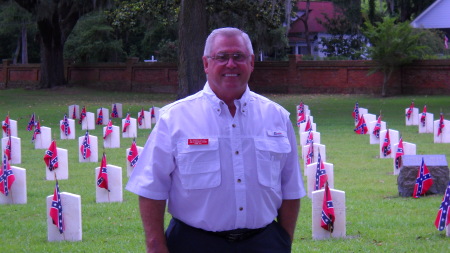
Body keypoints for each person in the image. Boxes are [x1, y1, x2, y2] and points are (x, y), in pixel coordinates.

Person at [126, 27, 306, 253]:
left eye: (238, 57)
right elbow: (152, 187)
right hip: (193, 243)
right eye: (221, 57)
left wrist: (282, 241)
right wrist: (155, 246)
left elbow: (290, 189)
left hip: (263, 242)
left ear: (251, 63)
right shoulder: (174, 118)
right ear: (206, 64)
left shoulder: (276, 117)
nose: (231, 64)